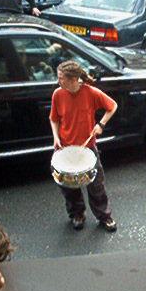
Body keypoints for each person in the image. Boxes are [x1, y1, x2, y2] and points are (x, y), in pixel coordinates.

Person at [50, 60, 118, 232]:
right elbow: (54, 118)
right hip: (65, 148)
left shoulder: (91, 92)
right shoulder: (58, 94)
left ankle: (104, 216)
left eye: (61, 78)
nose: (58, 81)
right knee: (68, 188)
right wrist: (56, 137)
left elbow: (112, 106)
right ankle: (77, 214)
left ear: (73, 79)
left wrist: (100, 125)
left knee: (96, 186)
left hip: (88, 148)